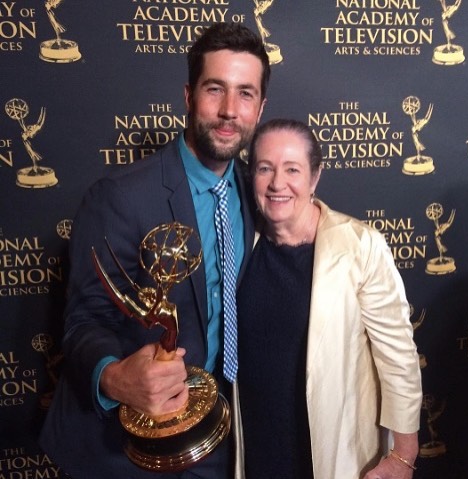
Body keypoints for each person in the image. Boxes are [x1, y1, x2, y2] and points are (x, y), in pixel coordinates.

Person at [39, 22, 270, 479]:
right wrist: (114, 376)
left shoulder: (260, 194)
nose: (228, 111)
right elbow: (84, 320)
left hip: (223, 441)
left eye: (245, 94)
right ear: (188, 97)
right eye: (214, 89)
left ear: (260, 109)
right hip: (125, 448)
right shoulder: (120, 196)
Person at [236, 118, 422, 479]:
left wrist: (403, 455)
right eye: (265, 169)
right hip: (257, 448)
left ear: (314, 177)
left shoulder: (360, 245)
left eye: (293, 169)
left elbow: (398, 358)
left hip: (337, 453)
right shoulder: (240, 244)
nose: (278, 183)